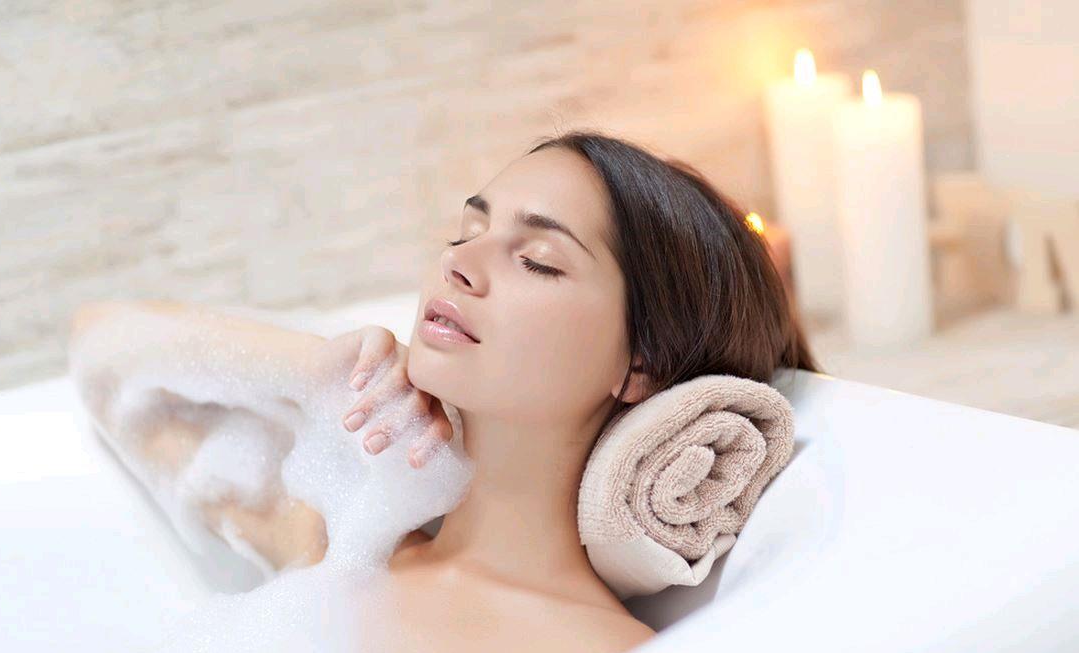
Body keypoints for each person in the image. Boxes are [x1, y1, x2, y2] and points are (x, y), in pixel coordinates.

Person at [70, 130, 822, 653]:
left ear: (643, 364)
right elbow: (98, 348)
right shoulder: (339, 538)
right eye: (467, 231)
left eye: (538, 259)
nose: (458, 263)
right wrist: (312, 366)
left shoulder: (604, 644)